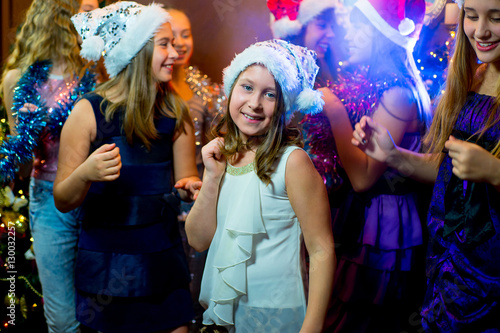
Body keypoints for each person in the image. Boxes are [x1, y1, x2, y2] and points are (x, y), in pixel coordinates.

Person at [352, 0, 500, 331]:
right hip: (450, 258)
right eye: (472, 17)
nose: (481, 30)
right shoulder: (474, 78)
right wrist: (394, 155)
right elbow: (450, 170)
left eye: (497, 18)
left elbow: (480, 169)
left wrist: (494, 171)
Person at [53, 2, 201, 332]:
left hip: (162, 259)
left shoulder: (176, 112)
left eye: (174, 43)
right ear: (135, 52)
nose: (174, 52)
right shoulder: (87, 112)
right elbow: (62, 198)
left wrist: (191, 186)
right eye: (164, 44)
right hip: (105, 269)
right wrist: (85, 173)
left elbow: (186, 176)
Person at [185, 39, 336, 332]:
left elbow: (322, 250)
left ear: (286, 105)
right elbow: (198, 240)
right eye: (247, 87)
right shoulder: (221, 158)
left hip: (273, 317)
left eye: (270, 94)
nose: (254, 103)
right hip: (225, 315)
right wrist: (213, 176)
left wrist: (313, 326)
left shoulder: (292, 163)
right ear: (230, 90)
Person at [322, 0, 433, 332]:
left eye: (360, 27)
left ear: (383, 35)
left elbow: (363, 177)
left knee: (364, 316)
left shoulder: (397, 93)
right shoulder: (376, 85)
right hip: (368, 214)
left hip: (384, 225)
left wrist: (335, 111)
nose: (349, 35)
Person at [0, 0, 95, 332]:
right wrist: (26, 128)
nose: (93, 16)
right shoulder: (17, 79)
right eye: (86, 8)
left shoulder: (95, 72)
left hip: (100, 195)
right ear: (60, 16)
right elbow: (22, 164)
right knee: (63, 318)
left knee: (105, 307)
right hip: (49, 199)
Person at [166, 7, 226, 332]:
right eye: (172, 36)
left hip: (201, 193)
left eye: (186, 34)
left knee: (200, 271)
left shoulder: (204, 88)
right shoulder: (154, 88)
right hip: (165, 195)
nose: (180, 43)